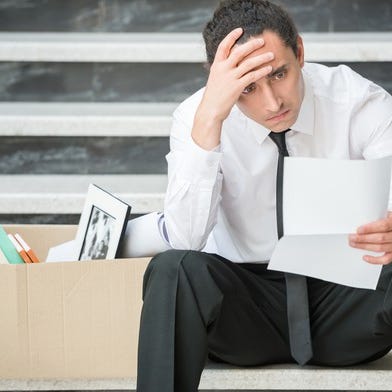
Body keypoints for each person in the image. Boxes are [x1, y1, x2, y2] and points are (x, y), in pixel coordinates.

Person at [136, 0, 392, 391]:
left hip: (347, 300)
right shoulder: (196, 118)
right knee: (174, 270)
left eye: (280, 74)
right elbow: (185, 238)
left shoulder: (357, 101)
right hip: (247, 308)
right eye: (248, 88)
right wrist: (209, 121)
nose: (272, 103)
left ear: (300, 53)